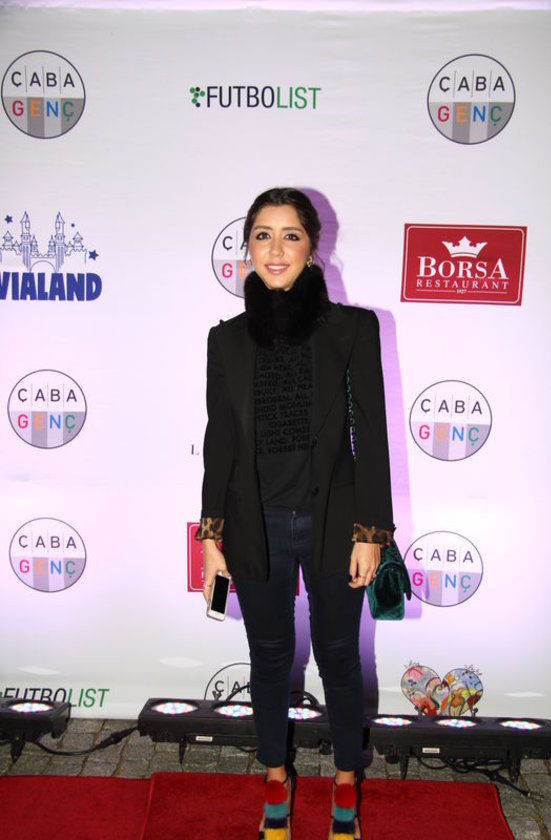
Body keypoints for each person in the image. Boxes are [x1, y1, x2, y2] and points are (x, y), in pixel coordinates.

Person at [196, 187, 394, 840]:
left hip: (336, 524)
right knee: (269, 657)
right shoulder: (225, 340)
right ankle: (276, 782)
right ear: (247, 249)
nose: (275, 249)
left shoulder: (352, 330)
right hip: (256, 525)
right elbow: (220, 443)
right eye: (263, 235)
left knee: (339, 658)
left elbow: (371, 436)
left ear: (312, 248)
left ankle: (345, 786)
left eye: (290, 235)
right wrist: (211, 535)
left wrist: (372, 532)